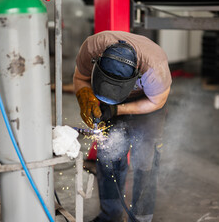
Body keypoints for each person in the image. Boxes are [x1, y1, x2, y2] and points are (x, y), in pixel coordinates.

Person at [73, 30, 171, 222]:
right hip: (110, 105)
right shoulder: (92, 47)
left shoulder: (155, 69)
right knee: (108, 156)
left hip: (147, 103)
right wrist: (85, 97)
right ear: (98, 62)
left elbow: (156, 102)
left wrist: (118, 110)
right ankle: (111, 214)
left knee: (145, 161)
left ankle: (141, 218)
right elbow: (80, 78)